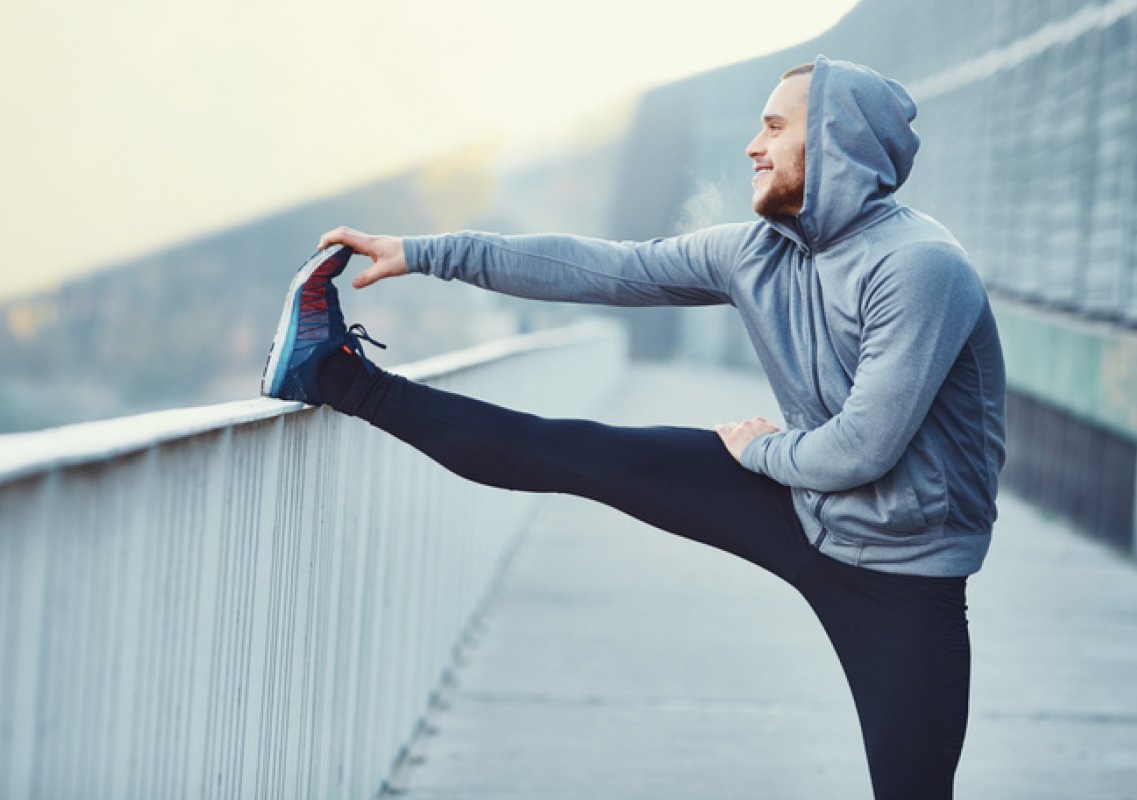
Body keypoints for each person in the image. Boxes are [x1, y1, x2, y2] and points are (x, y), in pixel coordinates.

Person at [261, 54, 1005, 799]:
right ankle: (335, 376)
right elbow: (598, 269)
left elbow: (862, 449)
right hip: (803, 506)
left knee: (912, 790)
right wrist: (422, 253)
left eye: (775, 127)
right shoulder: (756, 252)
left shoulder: (920, 269)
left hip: (907, 575)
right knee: (574, 452)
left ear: (837, 141)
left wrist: (762, 449)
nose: (754, 146)